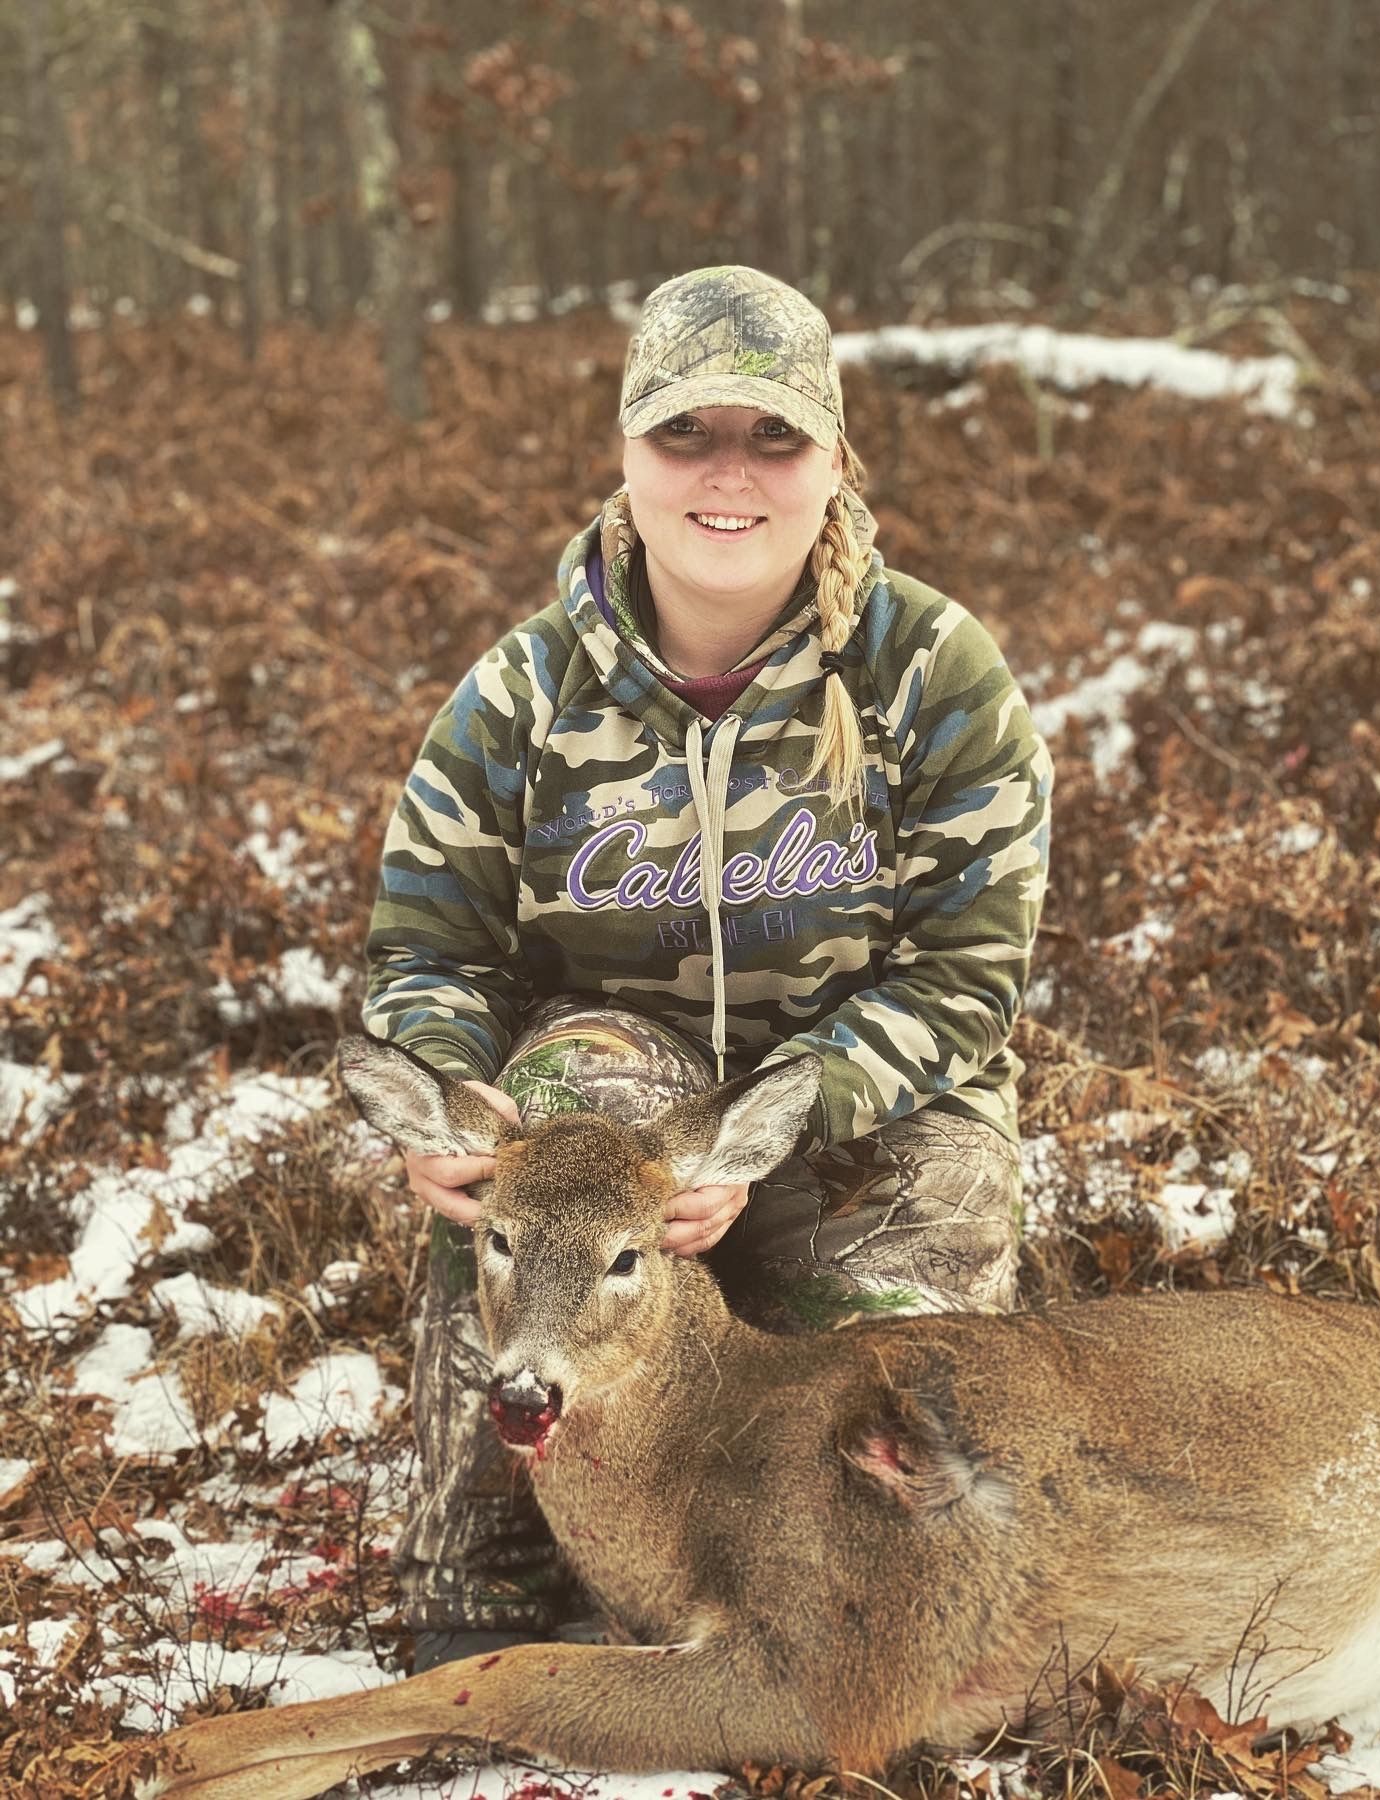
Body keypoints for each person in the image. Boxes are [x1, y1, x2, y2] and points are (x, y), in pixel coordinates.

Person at [362, 265, 1052, 1671]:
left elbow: (972, 971)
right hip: (621, 1132)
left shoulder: (931, 673)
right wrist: (448, 1093)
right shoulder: (522, 697)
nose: (726, 476)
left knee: (894, 1453)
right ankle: (486, 1545)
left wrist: (803, 1101)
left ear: (835, 461)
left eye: (773, 438)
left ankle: (873, 1590)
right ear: (626, 455)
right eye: (685, 436)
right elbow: (428, 945)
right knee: (557, 1087)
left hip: (853, 1125)